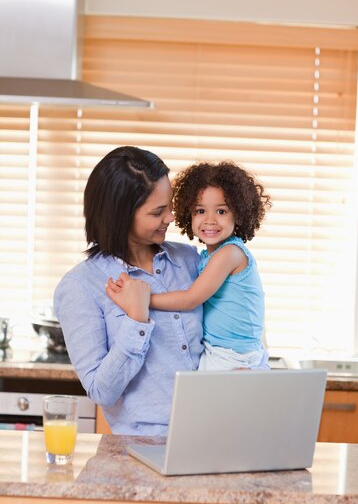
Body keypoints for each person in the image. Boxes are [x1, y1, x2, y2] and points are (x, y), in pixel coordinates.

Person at [53, 146, 205, 436]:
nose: (171, 218)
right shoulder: (81, 286)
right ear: (120, 216)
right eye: (158, 211)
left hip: (214, 436)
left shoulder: (189, 261)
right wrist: (136, 319)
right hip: (142, 450)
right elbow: (101, 391)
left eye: (170, 206)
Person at [106, 161, 272, 371]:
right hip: (221, 351)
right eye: (200, 210)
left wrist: (142, 300)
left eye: (221, 212)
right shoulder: (206, 257)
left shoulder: (230, 253)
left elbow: (191, 298)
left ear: (238, 214)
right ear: (188, 214)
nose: (209, 220)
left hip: (233, 356)